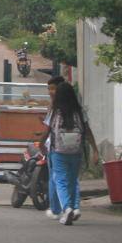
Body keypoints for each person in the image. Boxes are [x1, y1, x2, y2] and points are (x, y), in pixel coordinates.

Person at [44, 77, 86, 226]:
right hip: (76, 151)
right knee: (73, 180)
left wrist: (41, 143)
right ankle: (75, 208)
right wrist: (93, 149)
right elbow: (87, 130)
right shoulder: (79, 111)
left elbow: (47, 131)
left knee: (59, 180)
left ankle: (66, 208)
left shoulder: (55, 111)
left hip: (59, 151)